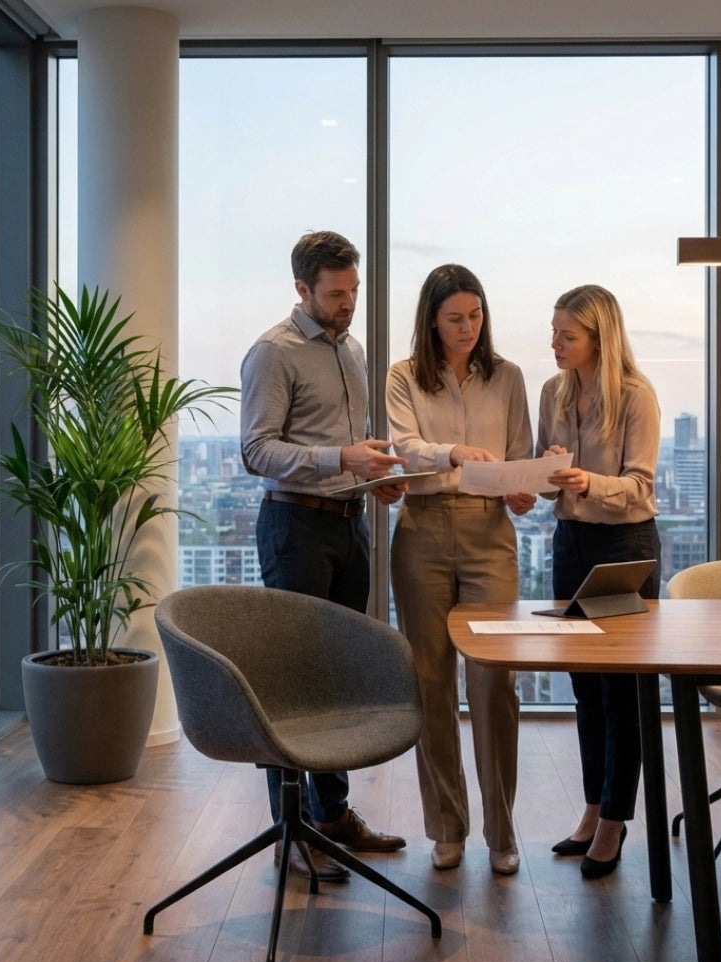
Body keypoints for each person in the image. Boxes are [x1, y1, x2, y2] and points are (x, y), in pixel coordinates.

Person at [240, 230, 409, 882]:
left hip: (349, 523)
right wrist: (340, 460)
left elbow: (353, 447)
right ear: (302, 289)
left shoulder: (354, 351)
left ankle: (333, 814)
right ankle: (292, 831)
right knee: (293, 682)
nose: (348, 304)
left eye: (354, 292)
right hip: (295, 528)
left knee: (335, 678)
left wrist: (372, 477)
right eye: (336, 294)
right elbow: (257, 451)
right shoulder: (273, 353)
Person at [386, 264, 535, 876]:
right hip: (420, 530)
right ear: (431, 319)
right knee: (430, 681)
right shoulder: (403, 377)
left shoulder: (508, 377)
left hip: (487, 531)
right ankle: (447, 826)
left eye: (475, 315)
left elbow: (520, 455)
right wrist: (450, 451)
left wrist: (524, 488)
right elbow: (403, 447)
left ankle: (502, 833)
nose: (468, 327)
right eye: (455, 318)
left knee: (494, 682)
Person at [537, 283, 661, 879]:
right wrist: (544, 474)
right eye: (554, 330)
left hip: (622, 545)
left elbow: (641, 487)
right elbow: (546, 481)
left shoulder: (636, 396)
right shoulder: (551, 393)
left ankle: (614, 821)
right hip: (572, 543)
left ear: (599, 338)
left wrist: (588, 481)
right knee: (585, 689)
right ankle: (591, 810)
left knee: (621, 695)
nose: (555, 343)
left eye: (568, 334)